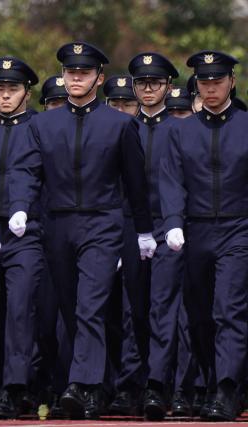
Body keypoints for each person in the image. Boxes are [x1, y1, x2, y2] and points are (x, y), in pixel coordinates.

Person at [8, 41, 154, 419]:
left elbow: (136, 183)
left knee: (90, 306)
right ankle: (96, 385)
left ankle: (81, 386)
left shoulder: (121, 125)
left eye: (84, 73)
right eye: (70, 72)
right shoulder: (42, 124)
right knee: (72, 311)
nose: (76, 78)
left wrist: (143, 231)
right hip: (57, 224)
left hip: (102, 224)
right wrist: (20, 207)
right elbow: (27, 171)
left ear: (98, 78)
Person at [160, 50, 248, 422]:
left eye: (217, 80)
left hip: (238, 228)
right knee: (197, 316)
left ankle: (227, 390)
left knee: (228, 309)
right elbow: (171, 179)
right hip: (195, 230)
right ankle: (214, 383)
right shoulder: (180, 130)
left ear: (231, 81)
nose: (210, 88)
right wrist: (174, 221)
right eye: (204, 81)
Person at [111, 52, 181, 421]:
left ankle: (157, 385)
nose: (148, 89)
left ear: (169, 86)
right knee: (132, 309)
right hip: (127, 225)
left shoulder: (179, 129)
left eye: (155, 82)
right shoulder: (123, 128)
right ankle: (132, 382)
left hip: (167, 223)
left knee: (163, 308)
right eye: (142, 83)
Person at [0, 56, 44, 420]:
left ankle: (15, 388)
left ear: (26, 93)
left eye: (12, 89)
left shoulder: (38, 129)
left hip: (26, 232)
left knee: (20, 308)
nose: (4, 96)